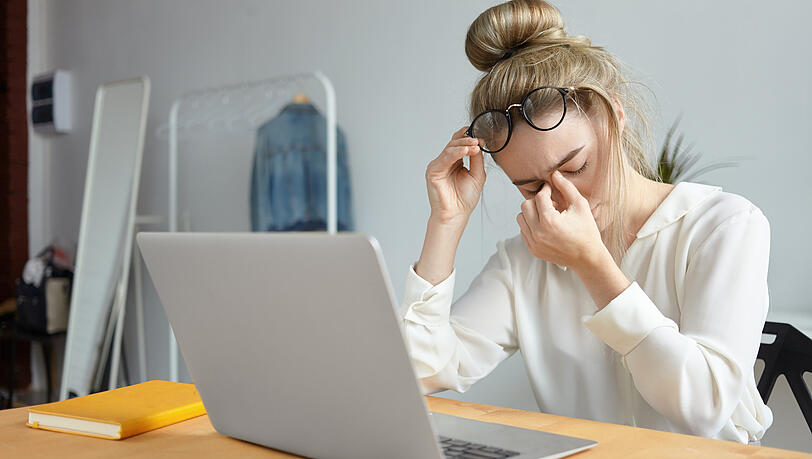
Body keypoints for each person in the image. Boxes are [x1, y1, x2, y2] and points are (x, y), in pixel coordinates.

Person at [399, 0, 773, 445]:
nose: (562, 199)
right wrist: (446, 221)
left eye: (575, 167)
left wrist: (592, 265)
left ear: (615, 116)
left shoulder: (722, 227)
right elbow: (418, 373)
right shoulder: (525, 260)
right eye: (531, 187)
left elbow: (704, 407)